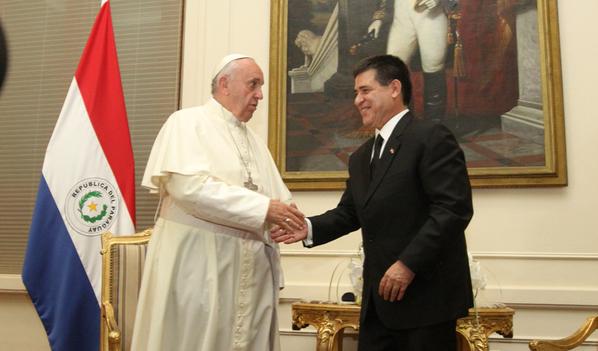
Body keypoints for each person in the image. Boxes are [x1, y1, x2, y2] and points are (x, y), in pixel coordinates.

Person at [272, 54, 473, 350]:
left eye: (365, 91)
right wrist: (309, 227)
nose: (358, 100)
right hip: (378, 306)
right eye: (356, 93)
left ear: (394, 88)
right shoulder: (361, 157)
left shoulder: (430, 137)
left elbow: (453, 209)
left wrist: (407, 264)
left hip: (426, 303)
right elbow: (350, 212)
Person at [131, 54, 304, 351]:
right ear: (225, 83)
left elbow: (280, 198)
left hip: (251, 273)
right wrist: (263, 209)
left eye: (260, 86)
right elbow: (189, 187)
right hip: (198, 266)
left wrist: (288, 219)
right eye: (253, 84)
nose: (260, 95)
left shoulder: (255, 141)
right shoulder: (187, 122)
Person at [367, 0, 458, 122]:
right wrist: (378, 18)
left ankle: (433, 126)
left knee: (433, 67)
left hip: (431, 15)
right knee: (394, 69)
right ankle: (404, 125)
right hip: (402, 15)